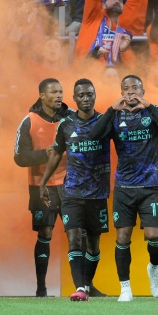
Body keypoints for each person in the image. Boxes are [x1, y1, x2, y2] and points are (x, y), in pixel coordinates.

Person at [89, 75, 158, 301]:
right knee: (123, 237)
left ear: (143, 91)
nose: (130, 92)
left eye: (135, 88)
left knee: (154, 235)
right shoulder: (115, 116)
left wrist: (151, 107)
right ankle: (125, 287)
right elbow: (94, 135)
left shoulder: (155, 113)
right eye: (125, 89)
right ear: (121, 92)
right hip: (124, 188)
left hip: (150, 186)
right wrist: (110, 110)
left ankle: (154, 268)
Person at [39, 79, 111, 301]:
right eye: (81, 95)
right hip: (72, 192)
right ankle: (80, 288)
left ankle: (87, 286)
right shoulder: (66, 124)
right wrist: (43, 182)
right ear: (75, 98)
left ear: (95, 95)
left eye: (89, 94)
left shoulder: (105, 122)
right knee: (74, 239)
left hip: (98, 194)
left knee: (94, 243)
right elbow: (58, 153)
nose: (86, 98)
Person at [14, 78, 72, 297]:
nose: (59, 95)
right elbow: (19, 157)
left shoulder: (71, 117)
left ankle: (84, 286)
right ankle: (41, 288)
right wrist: (44, 154)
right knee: (45, 232)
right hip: (41, 186)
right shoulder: (29, 121)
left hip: (69, 184)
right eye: (54, 92)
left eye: (61, 91)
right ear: (42, 95)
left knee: (76, 233)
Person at [74, 0, 134, 70]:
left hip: (108, 78)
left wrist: (123, 50)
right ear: (103, 5)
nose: (117, 1)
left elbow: (132, 67)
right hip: (85, 72)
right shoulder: (92, 17)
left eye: (120, 1)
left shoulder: (122, 33)